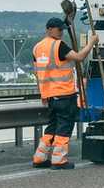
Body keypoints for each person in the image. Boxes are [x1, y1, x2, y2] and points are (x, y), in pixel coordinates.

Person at [31, 17, 98, 169]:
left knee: (52, 126)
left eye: (62, 29)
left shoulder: (37, 48)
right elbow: (79, 57)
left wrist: (43, 94)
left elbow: (37, 73)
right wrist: (91, 43)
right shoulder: (58, 45)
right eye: (59, 29)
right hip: (64, 94)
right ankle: (59, 160)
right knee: (64, 127)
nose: (61, 32)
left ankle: (39, 158)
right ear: (49, 29)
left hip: (50, 96)